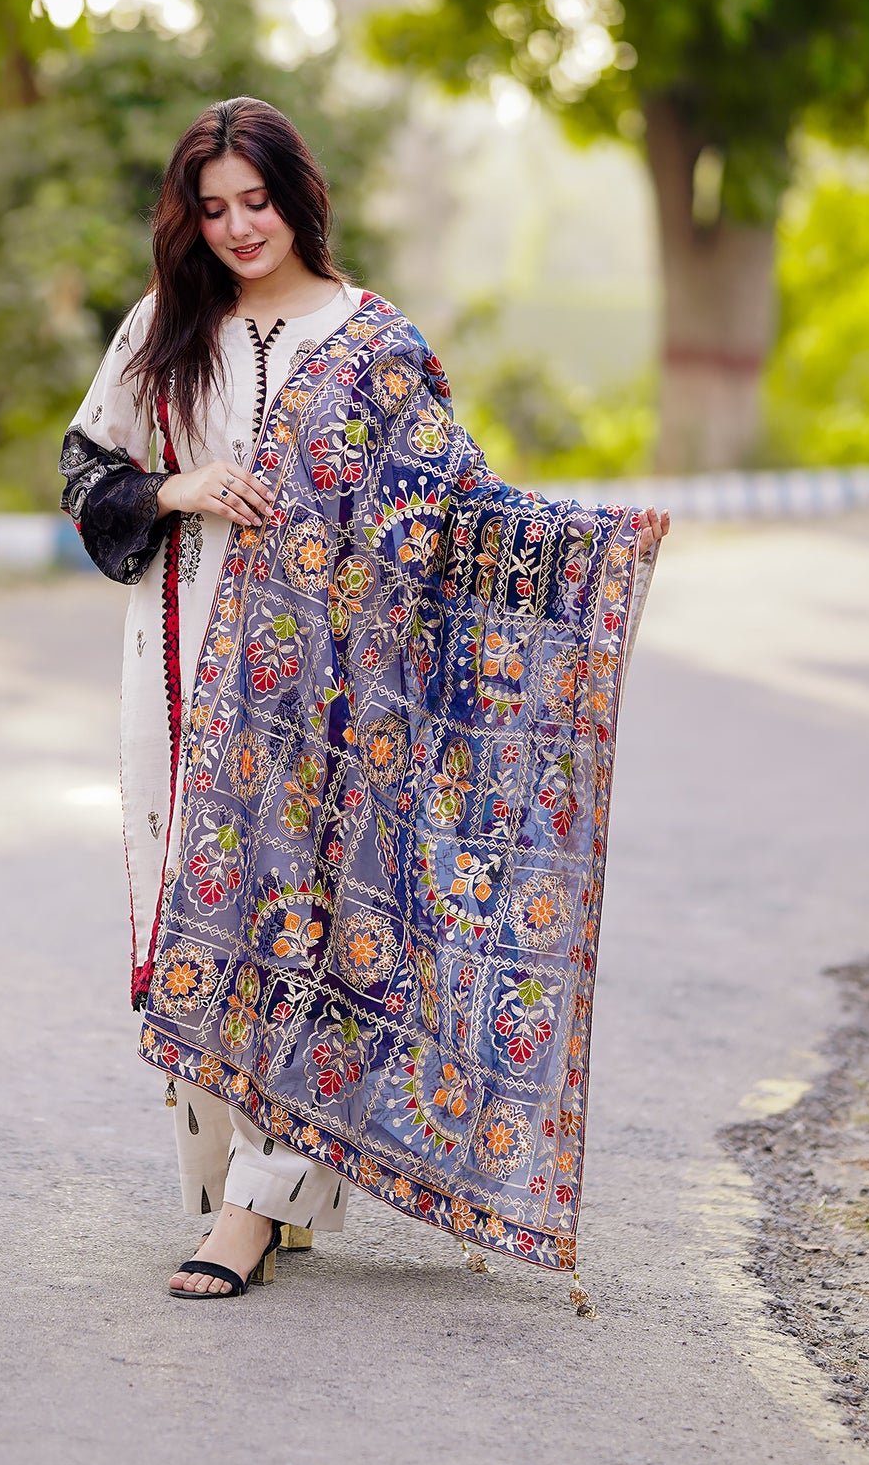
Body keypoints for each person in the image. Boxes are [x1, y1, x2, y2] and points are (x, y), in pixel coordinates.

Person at [61, 97, 666, 1301]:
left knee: (304, 912)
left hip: (333, 698)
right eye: (213, 207)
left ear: (300, 196)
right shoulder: (161, 332)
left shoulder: (373, 341)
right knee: (194, 902)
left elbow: (454, 512)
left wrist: (583, 552)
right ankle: (229, 1181)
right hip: (177, 670)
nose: (238, 227)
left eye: (256, 200)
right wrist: (179, 488)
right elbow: (89, 476)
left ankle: (257, 1206)